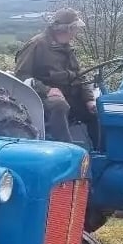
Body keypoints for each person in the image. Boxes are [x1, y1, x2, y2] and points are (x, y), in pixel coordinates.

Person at [14, 8, 100, 148]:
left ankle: (100, 151)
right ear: (67, 29)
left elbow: (79, 75)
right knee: (59, 105)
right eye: (75, 29)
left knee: (97, 110)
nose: (76, 33)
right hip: (40, 95)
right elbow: (21, 76)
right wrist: (47, 90)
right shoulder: (37, 45)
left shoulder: (66, 47)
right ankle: (66, 148)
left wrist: (89, 99)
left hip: (67, 92)